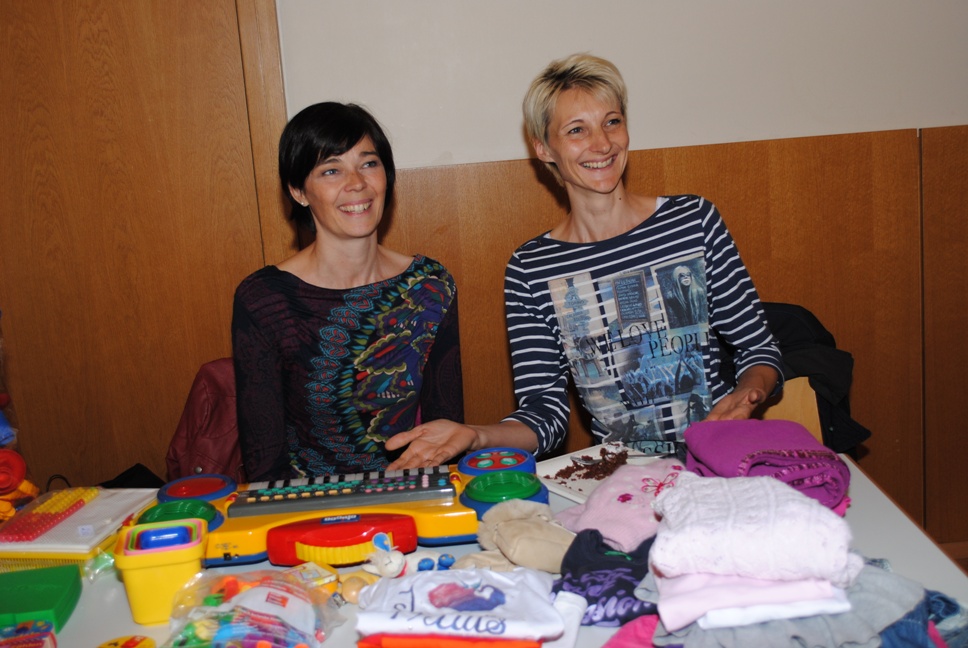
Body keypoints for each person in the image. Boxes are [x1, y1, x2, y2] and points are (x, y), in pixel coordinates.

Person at [386, 53, 781, 469]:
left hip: (720, 463)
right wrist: (475, 434)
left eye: (612, 122)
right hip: (622, 481)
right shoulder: (530, 268)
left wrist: (749, 390)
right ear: (544, 148)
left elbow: (759, 348)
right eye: (577, 130)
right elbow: (546, 416)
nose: (602, 144)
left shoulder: (693, 221)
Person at [232, 102, 463, 481]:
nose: (356, 183)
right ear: (298, 191)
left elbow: (445, 435)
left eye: (368, 164)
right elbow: (264, 465)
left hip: (409, 493)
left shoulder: (429, 286)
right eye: (331, 170)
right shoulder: (264, 299)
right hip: (303, 501)